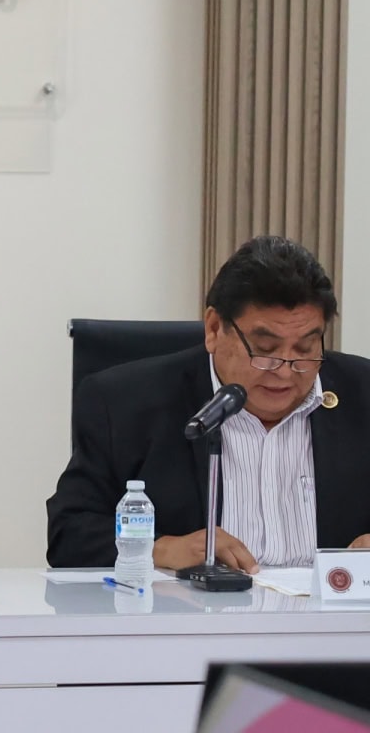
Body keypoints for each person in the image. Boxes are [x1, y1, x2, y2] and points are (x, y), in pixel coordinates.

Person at [47, 235, 370, 572]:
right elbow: (68, 534)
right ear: (214, 329)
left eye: (305, 349)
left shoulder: (363, 395)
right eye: (265, 349)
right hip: (193, 606)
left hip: (327, 607)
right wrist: (161, 550)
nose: (285, 371)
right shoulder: (125, 403)